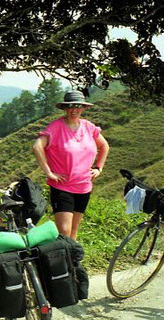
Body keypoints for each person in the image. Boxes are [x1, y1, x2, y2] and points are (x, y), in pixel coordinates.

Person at [32, 90, 109, 240]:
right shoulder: (56, 127)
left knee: (73, 230)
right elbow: (37, 147)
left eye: (78, 106)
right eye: (70, 106)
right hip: (62, 186)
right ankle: (60, 260)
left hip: (83, 187)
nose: (74, 110)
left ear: (83, 108)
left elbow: (104, 146)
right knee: (64, 231)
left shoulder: (88, 127)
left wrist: (99, 168)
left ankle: (72, 261)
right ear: (65, 108)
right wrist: (49, 172)